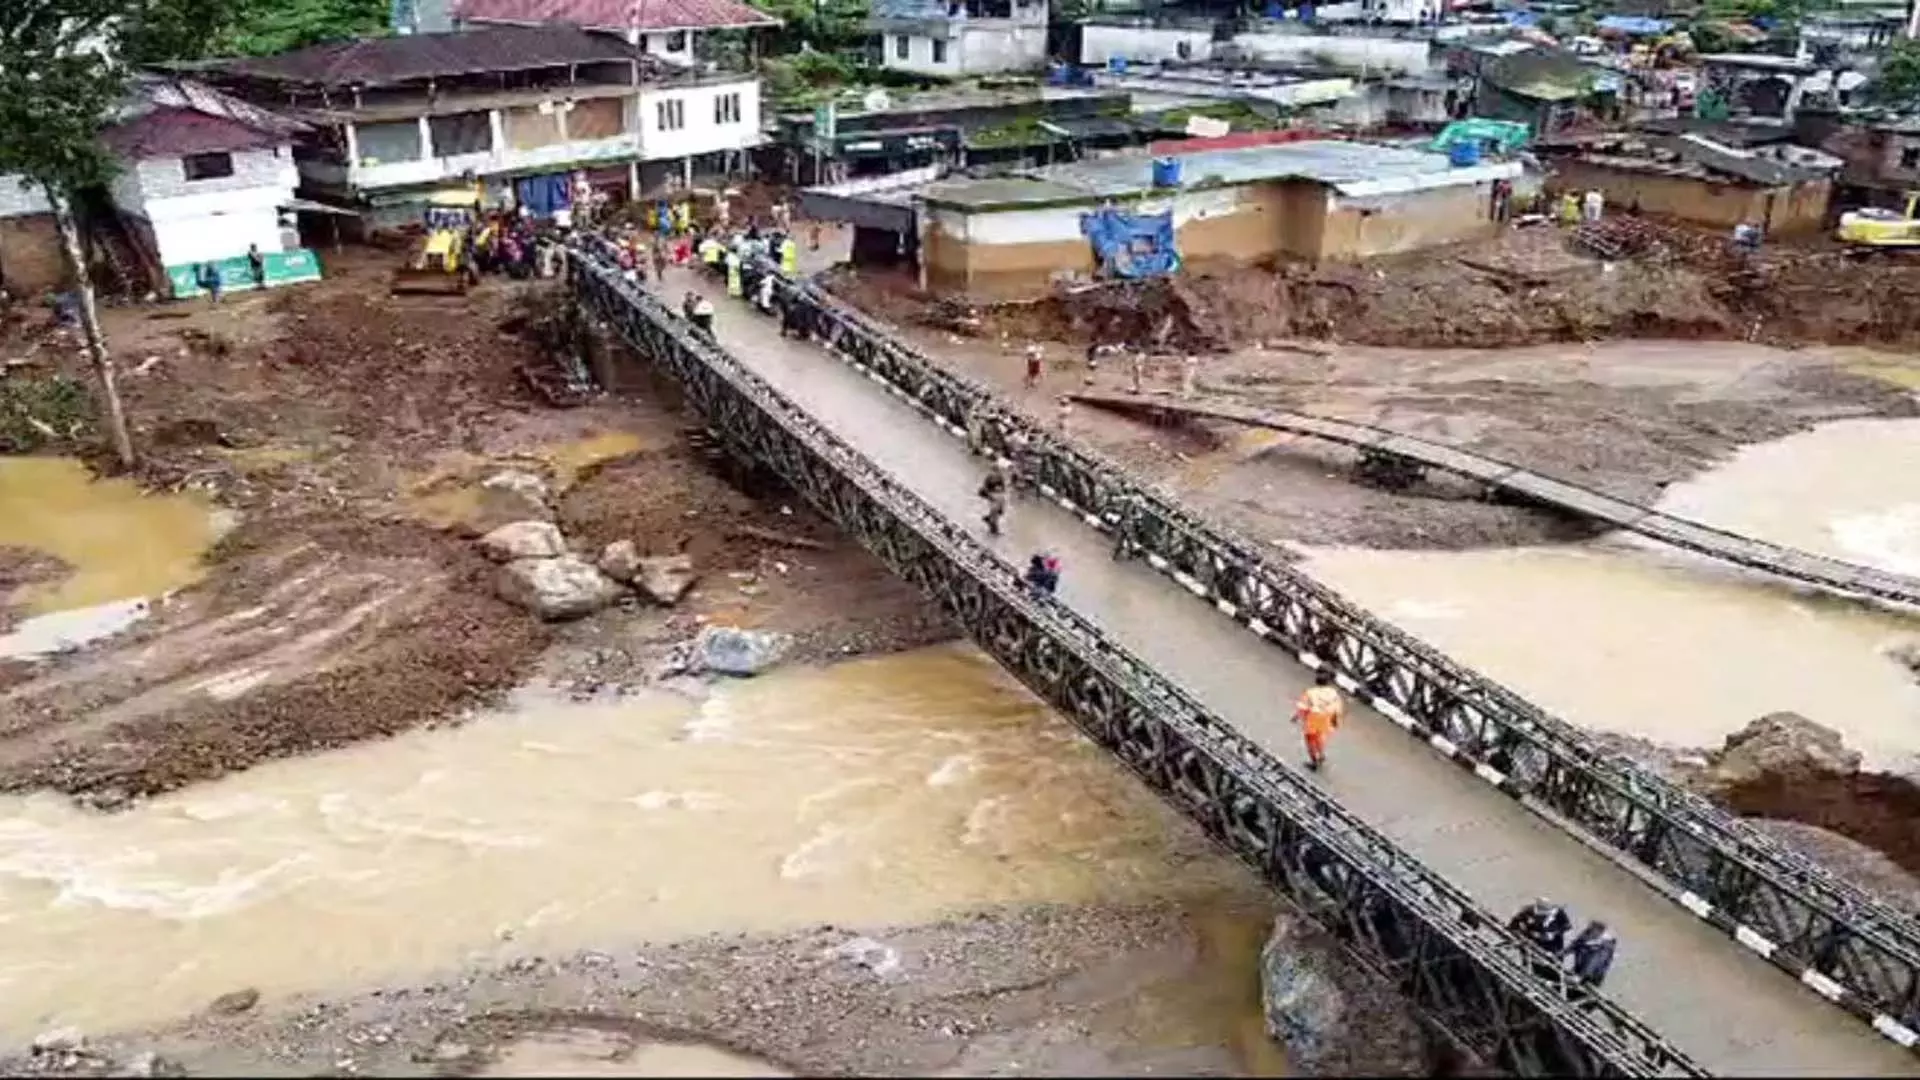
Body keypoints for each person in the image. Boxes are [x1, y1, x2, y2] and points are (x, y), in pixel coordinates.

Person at [1292, 668, 1343, 771]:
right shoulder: (1333, 692)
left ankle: (1313, 761)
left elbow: (1303, 707)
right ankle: (1321, 754)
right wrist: (1335, 720)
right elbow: (1337, 707)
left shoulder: (1310, 692)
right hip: (1326, 717)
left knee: (1310, 740)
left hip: (1314, 717)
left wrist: (1296, 716)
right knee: (1319, 736)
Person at [1508, 898, 1573, 955]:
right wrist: (1514, 932)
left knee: (1553, 960)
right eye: (1539, 916)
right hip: (1532, 941)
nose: (1541, 918)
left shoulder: (1558, 912)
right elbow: (1515, 920)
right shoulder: (1528, 910)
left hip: (1552, 944)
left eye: (1543, 916)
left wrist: (1554, 933)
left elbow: (1568, 926)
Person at [1564, 920, 1617, 989]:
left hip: (1591, 978)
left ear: (1600, 932)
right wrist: (1561, 954)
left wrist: (1580, 976)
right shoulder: (1588, 933)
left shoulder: (1605, 947)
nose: (1589, 932)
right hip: (1578, 970)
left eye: (1592, 931)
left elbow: (1594, 962)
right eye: (1589, 929)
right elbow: (1575, 944)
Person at [978, 467, 1009, 536]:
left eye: (996, 472)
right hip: (992, 494)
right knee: (994, 511)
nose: (995, 473)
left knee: (998, 511)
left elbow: (1004, 488)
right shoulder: (989, 477)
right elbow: (985, 487)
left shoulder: (1000, 477)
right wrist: (990, 495)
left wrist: (1000, 490)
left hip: (999, 495)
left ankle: (989, 519)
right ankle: (994, 528)